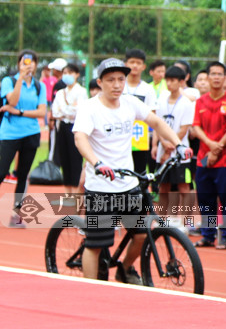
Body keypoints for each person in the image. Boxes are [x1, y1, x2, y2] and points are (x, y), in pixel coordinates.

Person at [72, 58, 185, 283]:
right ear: (100, 82)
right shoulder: (89, 108)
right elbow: (80, 138)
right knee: (95, 245)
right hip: (101, 187)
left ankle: (125, 269)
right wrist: (96, 163)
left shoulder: (131, 103)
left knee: (142, 234)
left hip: (128, 185)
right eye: (110, 80)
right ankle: (88, 290)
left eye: (121, 80)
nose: (116, 85)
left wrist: (178, 144)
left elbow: (156, 122)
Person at [191, 61, 226, 249]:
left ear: (225, 78)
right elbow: (196, 127)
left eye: (220, 74)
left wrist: (217, 148)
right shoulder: (200, 102)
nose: (217, 77)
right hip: (203, 159)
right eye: (213, 74)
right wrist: (209, 146)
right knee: (205, 199)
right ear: (207, 77)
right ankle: (208, 235)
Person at [1, 50, 47, 219]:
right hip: (10, 133)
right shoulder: (8, 81)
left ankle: (17, 211)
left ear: (36, 64)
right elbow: (11, 100)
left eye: (32, 61)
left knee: (22, 174)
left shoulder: (39, 86)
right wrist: (20, 77)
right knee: (2, 171)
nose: (28, 65)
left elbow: (41, 112)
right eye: (24, 61)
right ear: (19, 63)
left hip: (31, 133)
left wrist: (19, 112)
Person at [152, 66, 195, 224]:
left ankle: (185, 221)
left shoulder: (186, 103)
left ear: (181, 82)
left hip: (180, 153)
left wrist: (171, 147)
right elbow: (157, 124)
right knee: (163, 187)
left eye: (173, 80)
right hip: (163, 150)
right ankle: (161, 219)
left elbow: (184, 129)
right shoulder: (162, 99)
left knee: (184, 187)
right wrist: (160, 144)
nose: (169, 84)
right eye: (167, 80)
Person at [51, 62, 88, 195]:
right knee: (64, 158)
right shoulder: (60, 93)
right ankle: (67, 193)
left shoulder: (82, 91)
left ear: (77, 74)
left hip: (76, 127)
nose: (67, 76)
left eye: (70, 73)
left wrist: (65, 110)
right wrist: (70, 109)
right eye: (65, 73)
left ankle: (75, 192)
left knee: (75, 159)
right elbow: (55, 112)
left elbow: (79, 111)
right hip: (62, 127)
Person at [124, 49, 157, 176]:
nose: (135, 65)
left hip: (140, 138)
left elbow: (152, 114)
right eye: (132, 62)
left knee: (139, 173)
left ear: (143, 66)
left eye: (138, 63)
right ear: (126, 64)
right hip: (121, 136)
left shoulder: (148, 89)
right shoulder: (119, 86)